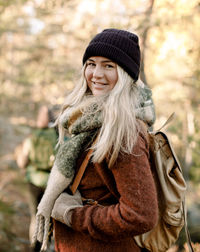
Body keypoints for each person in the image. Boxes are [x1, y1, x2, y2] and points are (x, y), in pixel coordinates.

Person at [33, 28, 158, 252]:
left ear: (125, 74)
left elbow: (140, 215)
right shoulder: (86, 122)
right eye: (91, 63)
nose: (96, 74)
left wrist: (73, 215)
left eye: (108, 66)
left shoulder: (123, 132)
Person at [15, 105, 57, 252]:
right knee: (48, 216)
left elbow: (22, 162)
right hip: (52, 183)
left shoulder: (31, 137)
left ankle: (34, 246)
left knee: (35, 215)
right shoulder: (58, 136)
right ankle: (46, 246)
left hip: (33, 180)